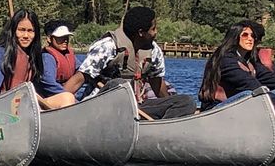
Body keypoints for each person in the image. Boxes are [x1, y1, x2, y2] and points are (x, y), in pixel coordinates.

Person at [65, 6, 198, 119]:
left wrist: (169, 104)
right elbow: (79, 79)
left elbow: (158, 85)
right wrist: (57, 105)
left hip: (134, 107)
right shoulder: (108, 46)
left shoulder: (154, 51)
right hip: (100, 107)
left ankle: (159, 131)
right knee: (119, 85)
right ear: (141, 32)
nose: (156, 32)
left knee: (186, 102)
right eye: (153, 28)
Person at [198, 22, 275, 117]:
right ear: (235, 37)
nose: (250, 39)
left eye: (252, 36)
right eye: (245, 35)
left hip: (237, 109)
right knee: (249, 95)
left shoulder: (250, 62)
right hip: (216, 109)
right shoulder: (224, 59)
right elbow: (248, 83)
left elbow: (274, 80)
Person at [0, 9, 77, 110]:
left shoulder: (34, 56)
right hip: (4, 107)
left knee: (66, 97)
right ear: (13, 31)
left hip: (26, 106)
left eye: (30, 31)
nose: (26, 36)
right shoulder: (1, 53)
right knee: (67, 97)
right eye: (21, 30)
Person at [40, 20, 78, 96]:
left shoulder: (68, 53)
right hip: (53, 97)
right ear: (49, 39)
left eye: (66, 37)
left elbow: (82, 71)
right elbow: (49, 83)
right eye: (60, 37)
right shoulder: (47, 57)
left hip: (69, 92)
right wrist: (67, 96)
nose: (65, 40)